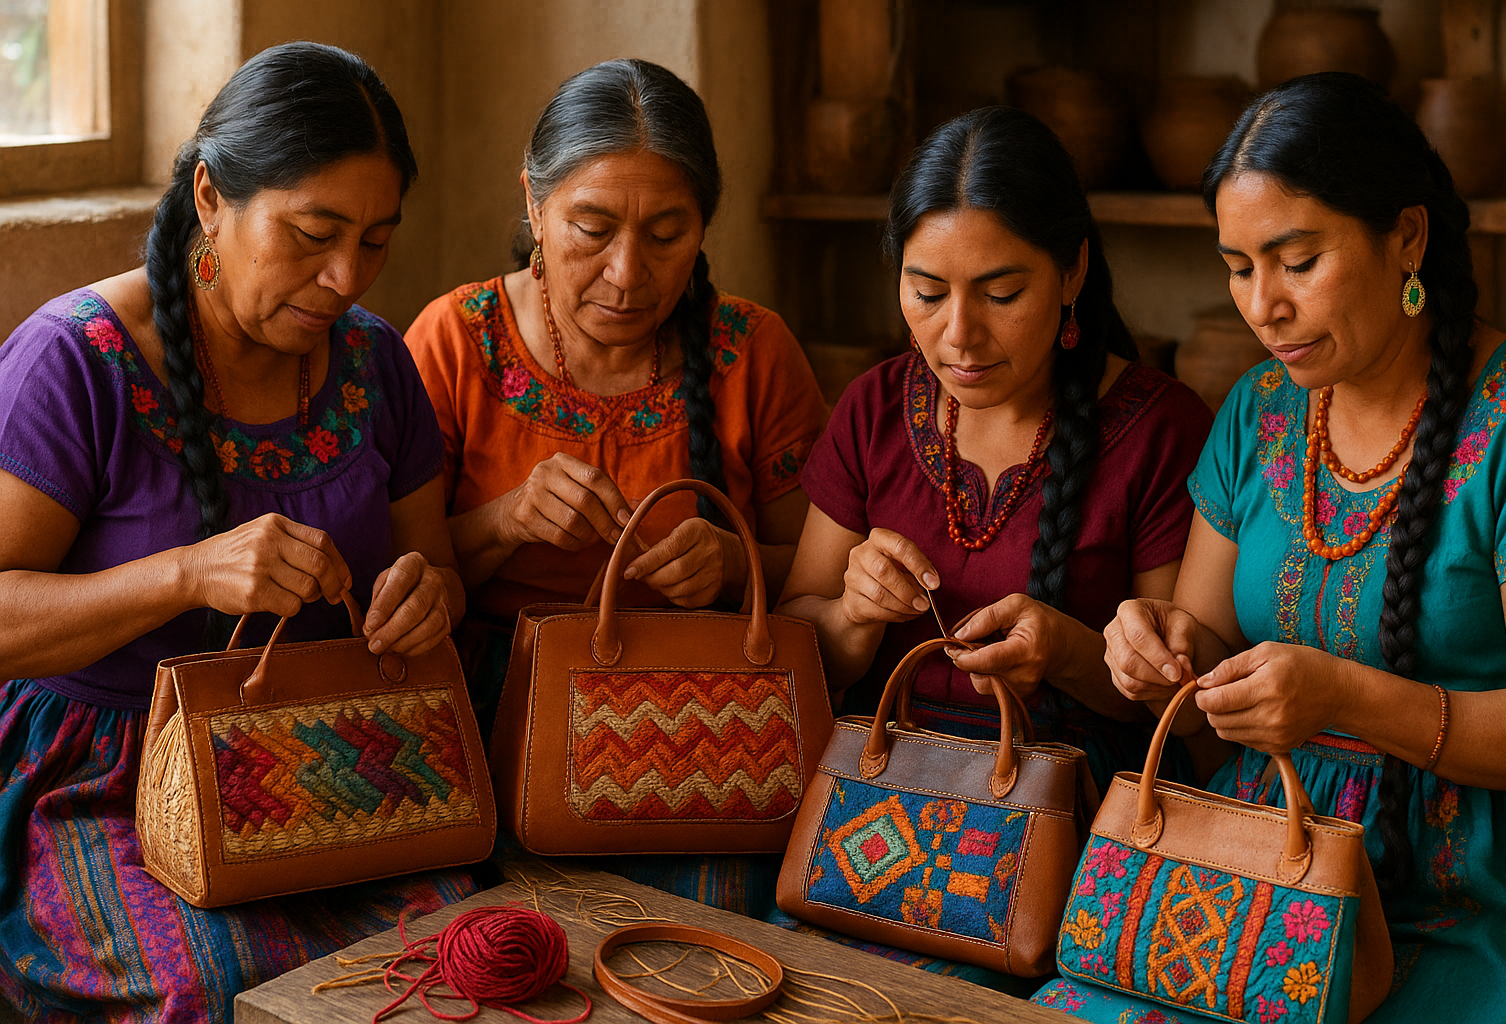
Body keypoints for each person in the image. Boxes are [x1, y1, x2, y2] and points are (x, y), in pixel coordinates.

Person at [0, 43, 481, 1023]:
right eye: (313, 233)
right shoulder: (76, 363)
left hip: (330, 762)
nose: (347, 275)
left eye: (377, 240)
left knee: (453, 957)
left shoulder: (376, 365)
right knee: (215, 987)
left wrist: (429, 597)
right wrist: (184, 572)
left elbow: (435, 564)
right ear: (212, 197)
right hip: (102, 780)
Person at [1043, 73, 1506, 1022]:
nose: (1260, 305)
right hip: (1258, 869)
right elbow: (1202, 687)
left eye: (1296, 260)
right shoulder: (1259, 414)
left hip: (1461, 895)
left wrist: (1348, 696)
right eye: (1237, 266)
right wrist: (1163, 660)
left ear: (1407, 236)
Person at [773, 106, 1214, 990]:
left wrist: (1072, 653)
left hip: (1071, 836)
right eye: (927, 291)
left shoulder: (1158, 429)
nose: (959, 335)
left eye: (1001, 293)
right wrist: (854, 616)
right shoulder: (872, 408)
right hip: (871, 815)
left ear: (1073, 271)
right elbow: (796, 636)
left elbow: (1187, 709)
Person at [404, 58, 824, 915]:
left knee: (718, 922)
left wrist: (735, 568)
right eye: (591, 227)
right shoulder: (455, 341)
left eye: (667, 233)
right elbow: (403, 584)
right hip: (490, 722)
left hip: (703, 726)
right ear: (533, 204)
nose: (629, 274)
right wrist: (504, 521)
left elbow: (819, 574)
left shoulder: (755, 351)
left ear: (705, 224)